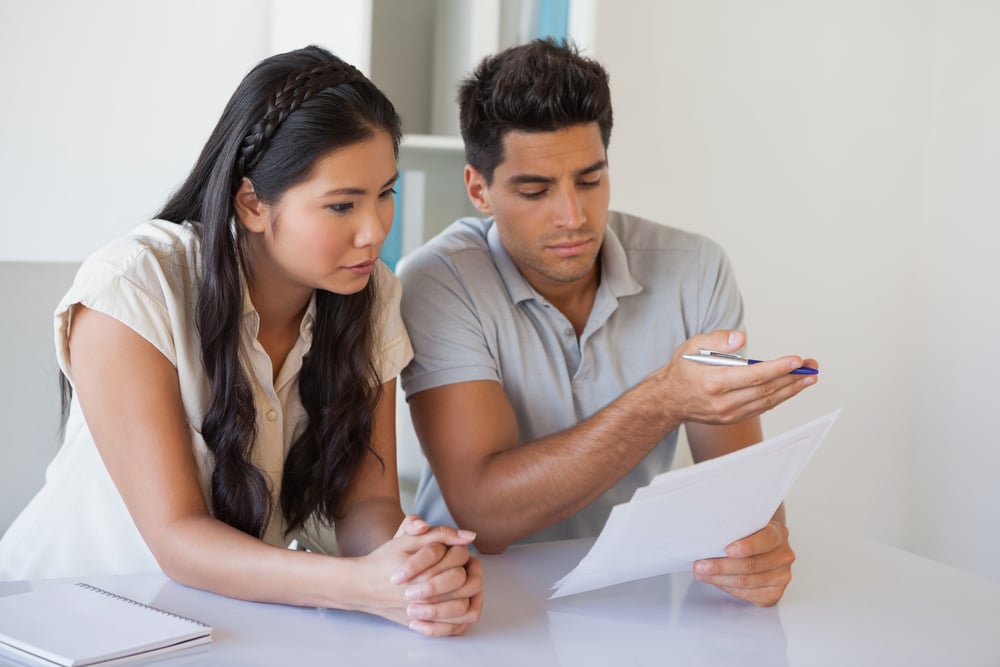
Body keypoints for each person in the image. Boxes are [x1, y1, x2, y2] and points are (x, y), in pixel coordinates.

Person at [0, 45, 482, 636]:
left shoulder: (370, 294)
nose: (374, 231)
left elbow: (367, 504)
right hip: (62, 618)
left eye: (385, 193)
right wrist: (358, 586)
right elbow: (178, 537)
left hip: (232, 625)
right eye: (341, 205)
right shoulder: (134, 288)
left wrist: (412, 571)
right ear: (252, 202)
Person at [397, 38, 818, 607]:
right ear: (479, 189)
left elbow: (738, 494)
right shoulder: (438, 281)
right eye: (535, 190)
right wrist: (663, 400)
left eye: (590, 180)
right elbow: (486, 516)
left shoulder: (694, 269)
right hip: (471, 598)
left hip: (629, 589)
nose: (572, 216)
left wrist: (756, 549)